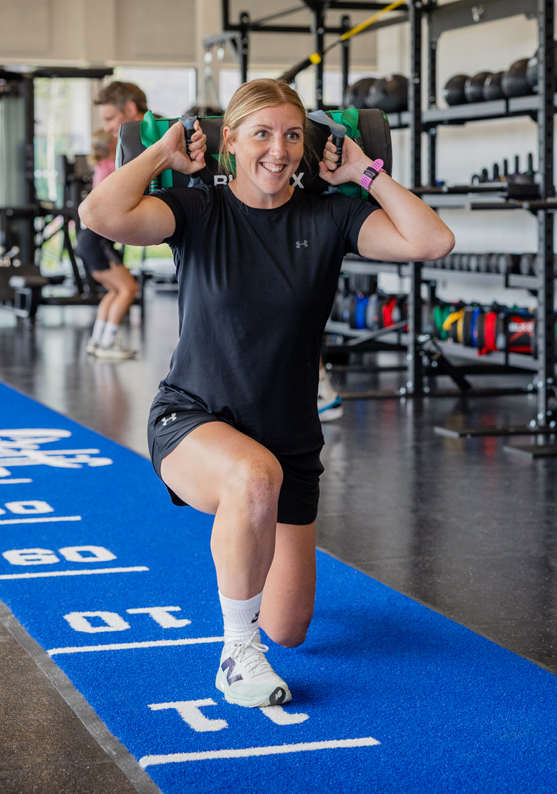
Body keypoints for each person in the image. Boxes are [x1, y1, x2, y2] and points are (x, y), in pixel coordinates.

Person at [80, 78, 453, 708]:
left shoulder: (330, 216)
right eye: (261, 134)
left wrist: (365, 172)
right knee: (253, 478)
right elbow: (99, 215)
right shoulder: (197, 209)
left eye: (291, 135)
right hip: (192, 419)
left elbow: (432, 241)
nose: (278, 150)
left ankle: (248, 571)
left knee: (290, 628)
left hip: (290, 439)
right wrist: (161, 154)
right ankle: (235, 655)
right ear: (229, 140)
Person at [79, 81, 148, 358]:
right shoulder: (114, 162)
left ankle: (98, 341)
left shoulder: (112, 160)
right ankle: (107, 343)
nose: (107, 127)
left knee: (115, 291)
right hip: (96, 240)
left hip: (90, 240)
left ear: (129, 109)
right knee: (129, 289)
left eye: (110, 119)